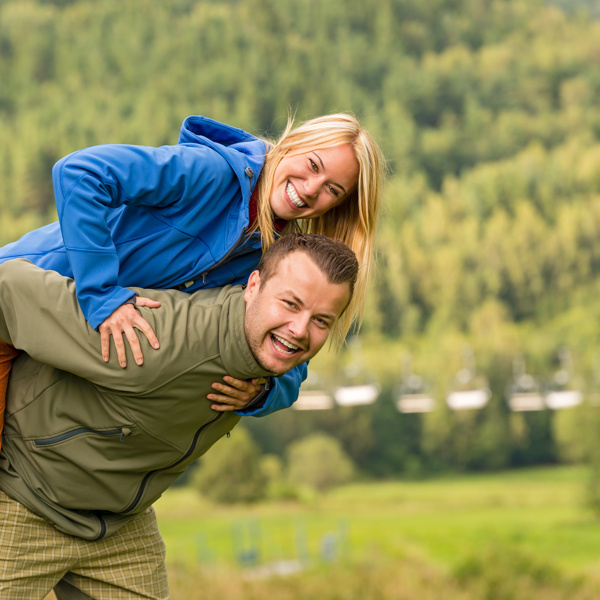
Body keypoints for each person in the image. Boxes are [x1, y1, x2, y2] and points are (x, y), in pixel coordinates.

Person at [0, 233, 358, 599]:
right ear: (253, 286)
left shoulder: (262, 364)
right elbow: (7, 287)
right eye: (290, 304)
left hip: (120, 525)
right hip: (24, 498)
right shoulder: (156, 337)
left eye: (321, 321)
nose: (299, 330)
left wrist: (265, 392)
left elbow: (292, 376)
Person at [0, 112, 385, 446]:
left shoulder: (277, 253)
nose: (311, 189)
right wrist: (103, 296)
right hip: (17, 306)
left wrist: (264, 390)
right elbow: (79, 173)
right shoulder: (210, 172)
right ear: (292, 144)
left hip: (56, 345)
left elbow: (294, 349)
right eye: (313, 165)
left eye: (333, 190)